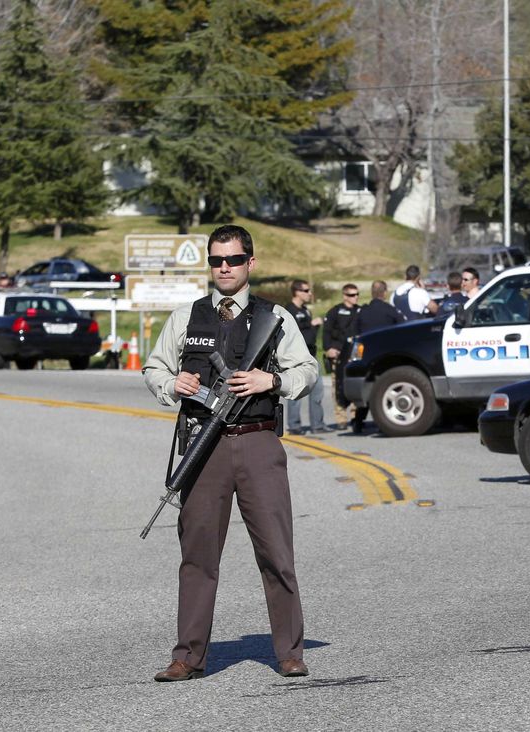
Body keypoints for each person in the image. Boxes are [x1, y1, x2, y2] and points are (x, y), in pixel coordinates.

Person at [142, 224, 318, 682]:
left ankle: (290, 652)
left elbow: (307, 369)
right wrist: (170, 384)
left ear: (250, 263)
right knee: (197, 554)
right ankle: (188, 656)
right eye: (217, 260)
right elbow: (154, 367)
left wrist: (271, 381)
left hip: (259, 441)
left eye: (234, 260)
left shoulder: (274, 316)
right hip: (205, 445)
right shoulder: (187, 318)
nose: (225, 268)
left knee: (277, 552)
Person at [350, 280, 407, 432]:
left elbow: (354, 334)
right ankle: (385, 421)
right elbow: (403, 329)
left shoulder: (362, 312)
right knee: (385, 390)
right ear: (385, 292)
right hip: (386, 358)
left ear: (372, 293)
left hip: (366, 357)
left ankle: (358, 421)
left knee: (366, 389)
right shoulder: (391, 311)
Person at [284, 279, 329, 435]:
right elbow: (292, 335)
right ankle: (294, 426)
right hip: (295, 358)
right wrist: (311, 325)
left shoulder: (306, 310)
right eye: (306, 290)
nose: (310, 293)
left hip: (311, 355)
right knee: (296, 392)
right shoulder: (288, 311)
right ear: (297, 292)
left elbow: (310, 335)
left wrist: (313, 326)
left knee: (317, 391)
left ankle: (318, 424)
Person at [323, 284, 362, 431]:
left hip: (355, 354)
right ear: (345, 296)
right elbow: (326, 332)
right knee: (338, 386)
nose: (355, 297)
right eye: (352, 295)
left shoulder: (360, 311)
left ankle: (355, 416)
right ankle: (341, 418)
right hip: (338, 353)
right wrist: (328, 349)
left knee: (355, 384)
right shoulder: (335, 311)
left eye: (357, 294)